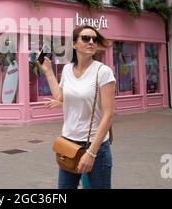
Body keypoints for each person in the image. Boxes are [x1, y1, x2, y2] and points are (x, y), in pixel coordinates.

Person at [38, 26, 116, 189]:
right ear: (74, 44)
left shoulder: (103, 72)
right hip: (69, 145)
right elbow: (60, 96)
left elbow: (108, 115)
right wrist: (48, 72)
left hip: (95, 147)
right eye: (86, 38)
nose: (92, 42)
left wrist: (91, 153)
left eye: (94, 39)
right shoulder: (67, 69)